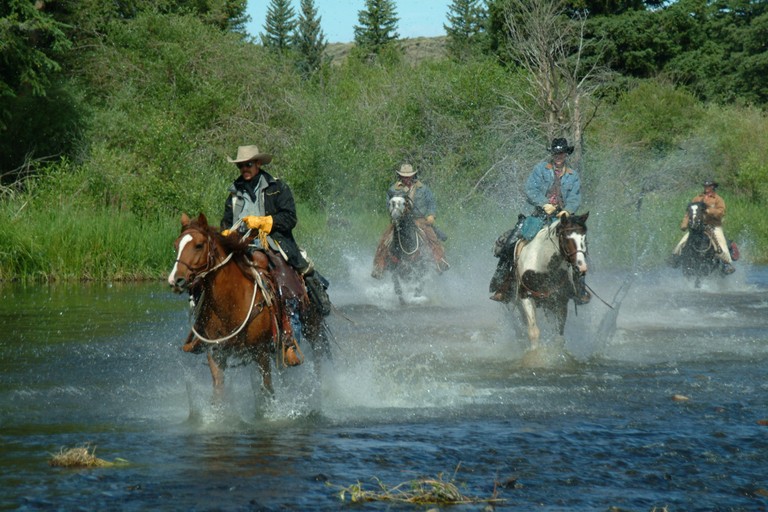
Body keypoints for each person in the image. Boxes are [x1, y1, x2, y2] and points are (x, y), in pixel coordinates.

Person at [184, 144, 330, 365]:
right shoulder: (234, 193)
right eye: (241, 165)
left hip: (274, 245)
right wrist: (225, 234)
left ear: (258, 164)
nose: (245, 168)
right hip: (241, 247)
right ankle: (202, 332)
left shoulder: (277, 188)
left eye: (249, 164)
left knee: (284, 282)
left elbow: (290, 218)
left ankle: (289, 341)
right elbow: (226, 222)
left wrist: (265, 222)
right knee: (206, 279)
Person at [489, 137, 590, 304]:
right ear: (552, 154)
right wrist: (544, 204)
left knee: (578, 247)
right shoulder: (540, 169)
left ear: (566, 154)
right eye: (556, 153)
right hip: (538, 216)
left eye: (561, 153)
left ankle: (579, 289)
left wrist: (567, 210)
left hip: (562, 219)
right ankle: (503, 284)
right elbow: (530, 189)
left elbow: (575, 197)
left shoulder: (573, 176)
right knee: (511, 242)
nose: (558, 156)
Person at [371, 163, 450, 279]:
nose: (406, 178)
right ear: (400, 176)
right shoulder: (393, 190)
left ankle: (440, 261)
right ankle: (379, 267)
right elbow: (388, 204)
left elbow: (431, 202)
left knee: (432, 237)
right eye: (404, 176)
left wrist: (431, 215)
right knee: (384, 240)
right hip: (399, 220)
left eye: (408, 176)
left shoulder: (423, 189)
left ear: (413, 176)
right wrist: (393, 213)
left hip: (420, 220)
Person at [671, 180, 735, 274]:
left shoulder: (718, 199)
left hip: (713, 226)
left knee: (721, 244)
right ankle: (675, 258)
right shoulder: (697, 198)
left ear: (713, 187)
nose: (706, 188)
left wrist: (709, 210)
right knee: (682, 242)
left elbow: (721, 212)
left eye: (709, 186)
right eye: (705, 186)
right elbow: (689, 212)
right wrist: (684, 224)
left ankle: (727, 264)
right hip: (698, 227)